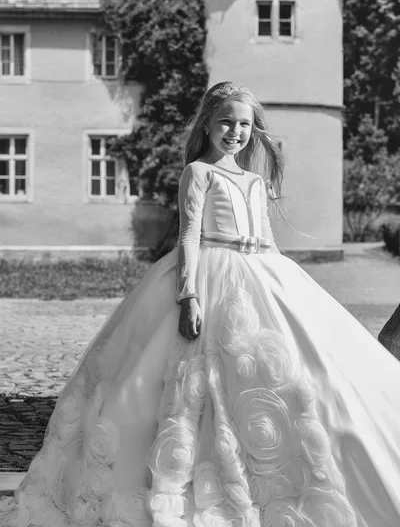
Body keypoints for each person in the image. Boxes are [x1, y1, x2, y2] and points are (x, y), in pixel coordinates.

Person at [1, 81, 400, 527]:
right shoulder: (199, 172)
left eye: (244, 124)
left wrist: (289, 285)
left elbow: (266, 238)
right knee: (185, 383)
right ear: (207, 123)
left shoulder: (255, 179)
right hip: (207, 273)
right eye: (226, 121)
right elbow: (190, 233)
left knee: (287, 374)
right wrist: (188, 293)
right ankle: (182, 485)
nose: (235, 131)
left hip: (261, 270)